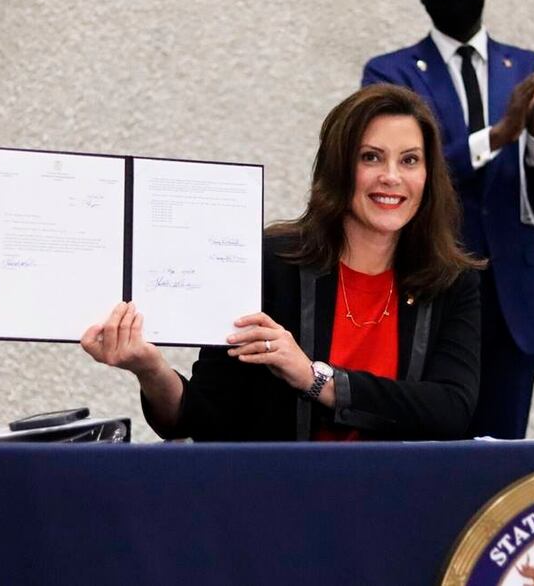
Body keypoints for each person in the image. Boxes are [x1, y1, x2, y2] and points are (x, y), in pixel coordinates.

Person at [80, 84, 484, 441]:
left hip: (397, 493)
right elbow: (200, 418)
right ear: (338, 167)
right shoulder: (268, 264)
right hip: (278, 493)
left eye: (409, 160)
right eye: (371, 158)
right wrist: (150, 369)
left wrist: (315, 378)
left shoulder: (451, 281)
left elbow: (450, 410)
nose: (392, 177)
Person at [361, 0, 534, 439]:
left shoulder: (529, 71)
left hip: (513, 297)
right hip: (429, 283)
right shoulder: (391, 73)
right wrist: (500, 133)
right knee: (431, 446)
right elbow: (402, 175)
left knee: (502, 452)